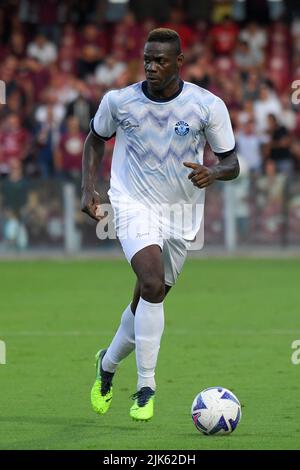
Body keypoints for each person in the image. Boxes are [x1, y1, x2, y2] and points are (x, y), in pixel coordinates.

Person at [81, 28, 239, 422]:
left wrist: (213, 173)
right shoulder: (119, 101)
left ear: (179, 62)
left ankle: (107, 365)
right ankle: (146, 387)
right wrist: (90, 187)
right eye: (147, 59)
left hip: (181, 215)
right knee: (151, 283)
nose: (151, 67)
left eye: (160, 60)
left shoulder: (207, 105)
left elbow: (232, 162)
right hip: (132, 203)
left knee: (147, 301)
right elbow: (95, 138)